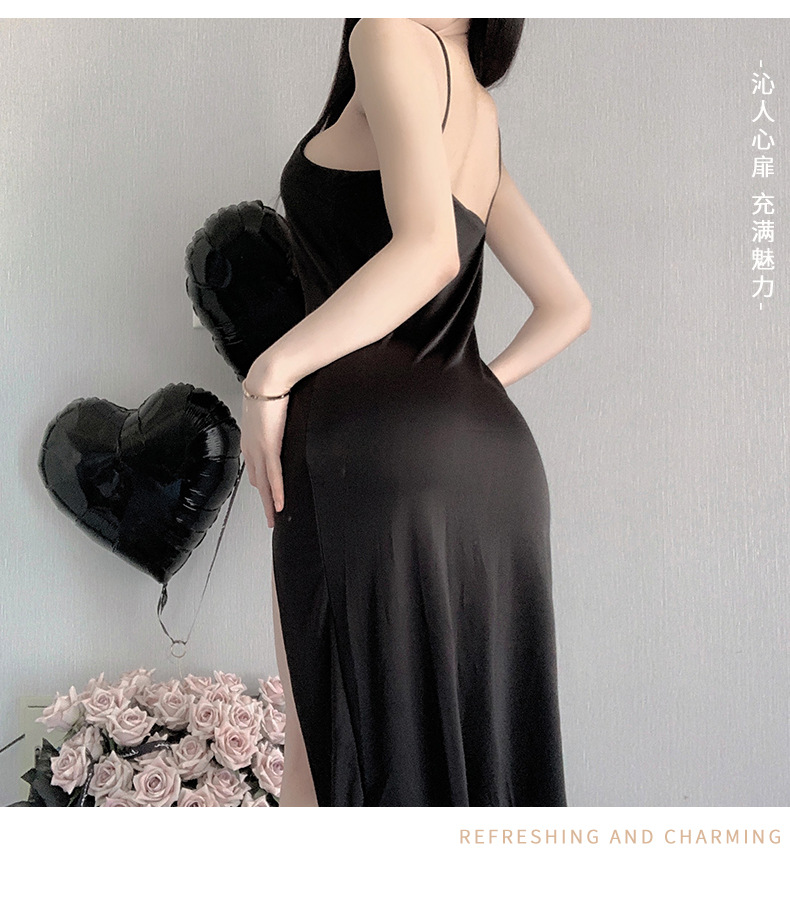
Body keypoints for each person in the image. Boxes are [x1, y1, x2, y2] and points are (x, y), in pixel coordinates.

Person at [240, 18, 591, 806]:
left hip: (366, 456)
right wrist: (469, 386)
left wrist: (271, 372)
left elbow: (429, 249)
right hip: (495, 469)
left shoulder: (389, 33)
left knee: (325, 776)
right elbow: (568, 305)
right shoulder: (479, 108)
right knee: (486, 773)